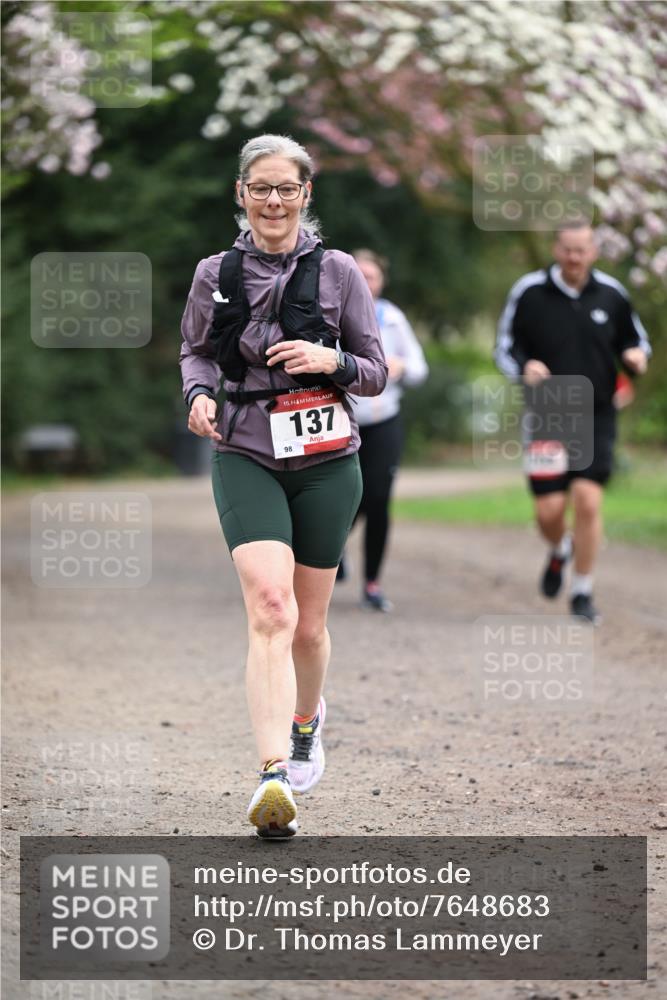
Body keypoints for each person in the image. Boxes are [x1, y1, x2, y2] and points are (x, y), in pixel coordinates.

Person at [179, 135, 387, 838]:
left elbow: (375, 369)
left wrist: (329, 357)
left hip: (327, 455)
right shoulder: (215, 272)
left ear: (305, 195)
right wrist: (198, 395)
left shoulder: (338, 273)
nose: (273, 201)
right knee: (270, 608)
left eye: (286, 189)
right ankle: (272, 773)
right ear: (240, 193)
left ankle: (306, 721)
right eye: (260, 188)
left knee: (309, 623)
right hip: (244, 448)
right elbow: (195, 351)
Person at [494, 222, 651, 624]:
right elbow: (504, 347)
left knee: (587, 499)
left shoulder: (613, 295)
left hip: (597, 414)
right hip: (547, 415)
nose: (574, 258)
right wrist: (524, 366)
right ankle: (560, 549)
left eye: (582, 250)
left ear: (594, 251)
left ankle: (582, 588)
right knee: (549, 510)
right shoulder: (529, 292)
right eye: (567, 250)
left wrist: (635, 357)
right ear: (555, 248)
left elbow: (636, 340)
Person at [338, 250, 428, 612]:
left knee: (378, 499)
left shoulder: (392, 319)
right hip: (342, 421)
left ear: (381, 281)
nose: (365, 282)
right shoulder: (329, 314)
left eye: (371, 276)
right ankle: (332, 547)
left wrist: (401, 367)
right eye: (358, 274)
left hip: (384, 420)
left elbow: (420, 369)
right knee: (342, 497)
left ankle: (372, 583)